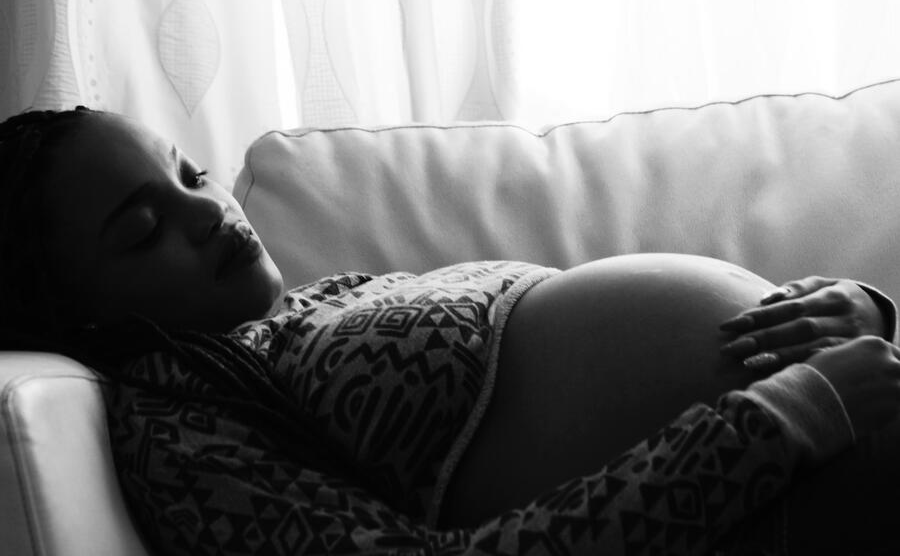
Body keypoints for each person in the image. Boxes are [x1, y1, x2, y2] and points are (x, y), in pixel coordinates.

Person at [1, 106, 899, 556]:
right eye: (143, 228)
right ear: (79, 309)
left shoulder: (321, 305)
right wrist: (779, 423)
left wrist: (850, 308)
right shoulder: (175, 429)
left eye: (190, 173)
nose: (203, 211)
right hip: (775, 502)